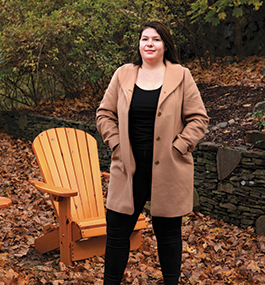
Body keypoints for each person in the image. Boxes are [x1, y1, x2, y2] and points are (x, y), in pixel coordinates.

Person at [96, 21, 209, 285]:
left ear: (165, 45)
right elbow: (104, 114)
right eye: (145, 39)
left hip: (168, 169)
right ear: (139, 44)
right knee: (116, 233)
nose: (149, 44)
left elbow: (199, 119)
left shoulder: (181, 75)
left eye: (156, 39)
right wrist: (116, 144)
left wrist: (179, 146)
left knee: (168, 235)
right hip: (127, 169)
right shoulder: (123, 74)